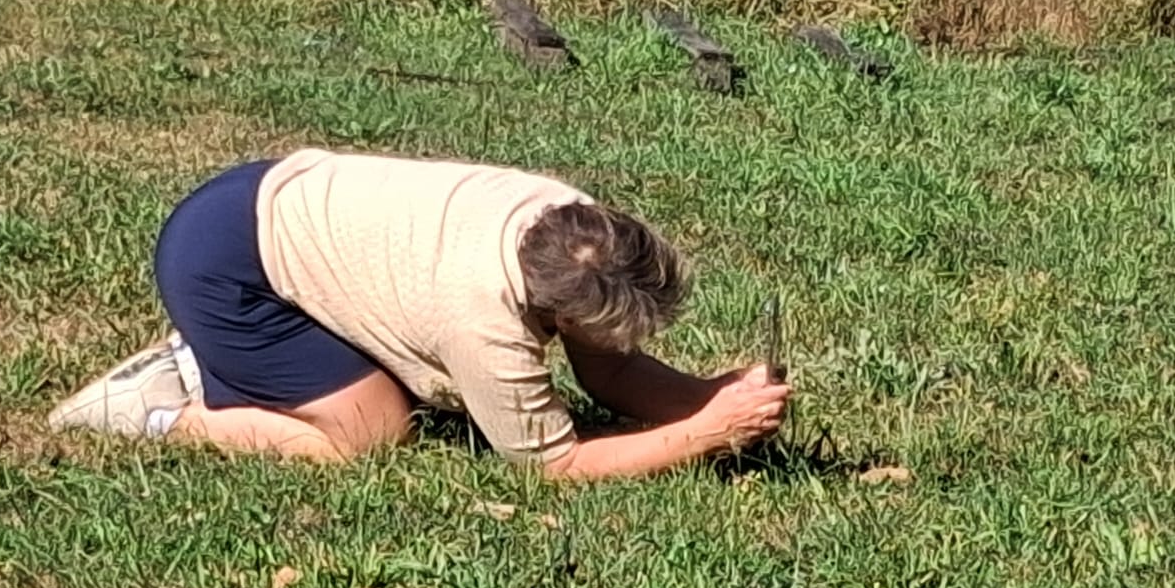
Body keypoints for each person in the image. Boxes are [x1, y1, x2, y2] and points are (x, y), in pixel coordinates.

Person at [47, 148, 794, 481]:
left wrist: (714, 397)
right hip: (226, 266)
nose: (630, 342)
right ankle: (161, 410)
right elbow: (556, 465)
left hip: (261, 196)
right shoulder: (479, 319)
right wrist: (701, 435)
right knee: (371, 435)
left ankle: (212, 364)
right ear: (553, 310)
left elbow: (608, 368)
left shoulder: (568, 224)